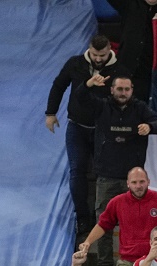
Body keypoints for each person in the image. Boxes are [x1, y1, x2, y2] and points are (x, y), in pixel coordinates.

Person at [73, 77, 157, 266]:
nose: (123, 93)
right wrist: (87, 83)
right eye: (119, 89)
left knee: (140, 224)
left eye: (127, 89)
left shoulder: (140, 108)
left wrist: (150, 127)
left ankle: (148, 263)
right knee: (103, 226)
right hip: (106, 177)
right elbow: (79, 98)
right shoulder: (102, 106)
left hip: (133, 181)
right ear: (112, 90)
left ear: (132, 90)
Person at [45, 34, 115, 232]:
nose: (98, 59)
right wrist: (50, 113)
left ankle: (105, 218)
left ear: (110, 49)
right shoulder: (75, 64)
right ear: (89, 50)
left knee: (106, 174)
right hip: (77, 126)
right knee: (77, 170)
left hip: (103, 130)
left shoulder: (118, 69)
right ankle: (82, 218)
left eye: (102, 55)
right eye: (95, 54)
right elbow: (59, 85)